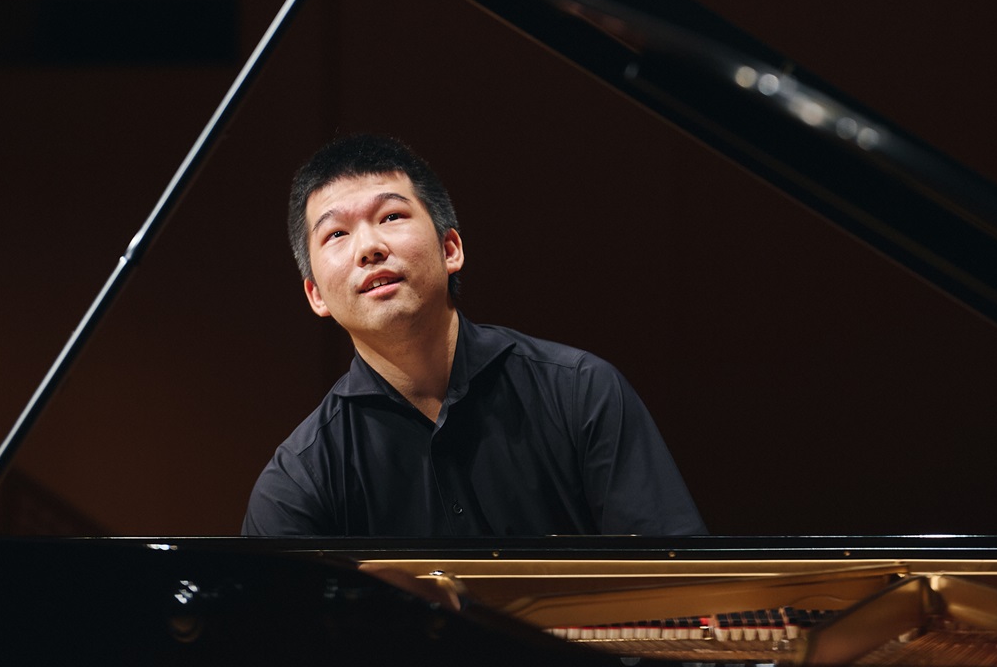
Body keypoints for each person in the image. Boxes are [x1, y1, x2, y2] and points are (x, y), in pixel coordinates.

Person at [242, 134, 706, 537]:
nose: (369, 247)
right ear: (315, 295)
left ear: (450, 249)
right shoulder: (298, 483)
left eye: (391, 216)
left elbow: (683, 588)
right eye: (336, 234)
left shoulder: (581, 392)